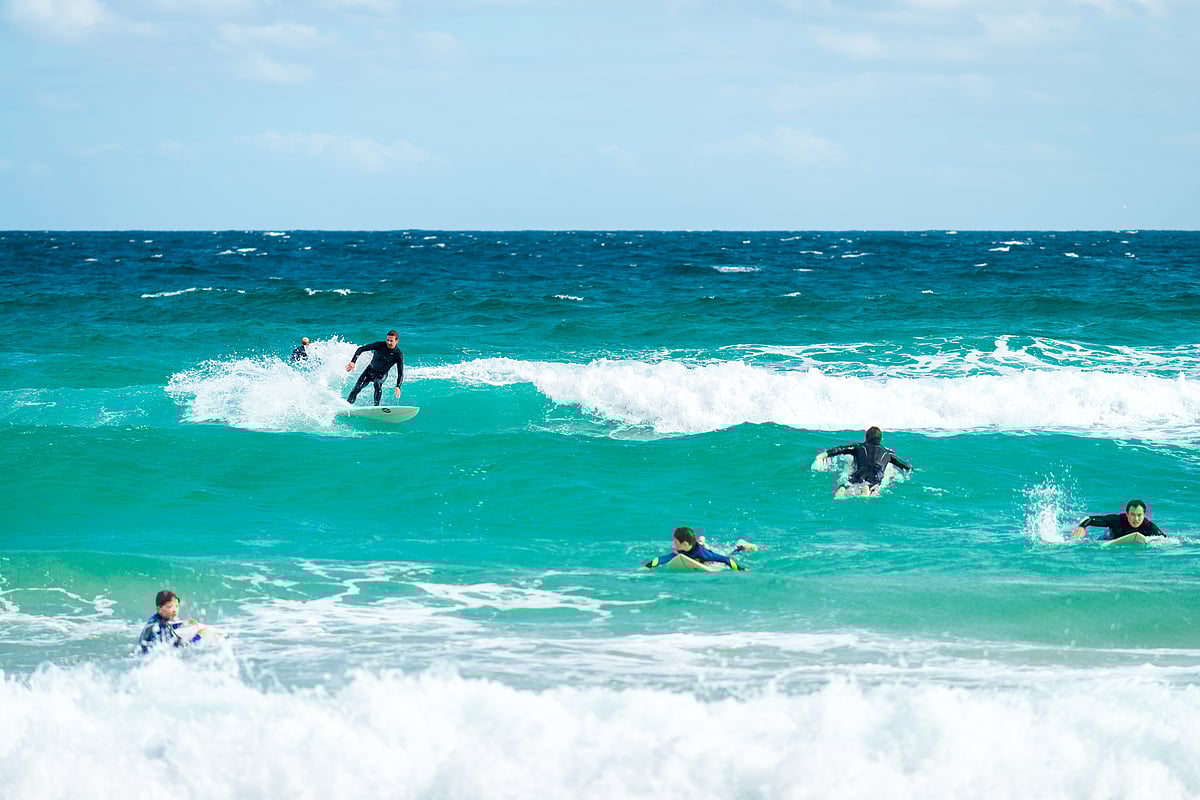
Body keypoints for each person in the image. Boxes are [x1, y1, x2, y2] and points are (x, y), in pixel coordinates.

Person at [819, 426, 912, 497]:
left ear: (866, 438)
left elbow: (841, 449)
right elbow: (903, 465)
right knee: (872, 484)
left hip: (861, 471)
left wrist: (824, 455)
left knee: (849, 482)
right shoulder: (887, 453)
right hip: (876, 473)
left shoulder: (859, 447)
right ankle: (867, 489)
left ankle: (842, 490)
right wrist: (910, 468)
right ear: (880, 439)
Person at [643, 526, 749, 570]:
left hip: (704, 554)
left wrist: (741, 569)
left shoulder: (704, 554)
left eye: (675, 542)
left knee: (729, 555)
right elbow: (663, 558)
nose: (674, 544)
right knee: (700, 544)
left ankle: (740, 546)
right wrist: (648, 566)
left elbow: (726, 560)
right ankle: (701, 541)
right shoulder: (681, 551)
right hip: (694, 546)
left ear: (684, 544)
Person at [345, 330, 404, 405]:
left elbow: (400, 373)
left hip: (382, 374)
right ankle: (348, 405)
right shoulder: (379, 345)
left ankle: (376, 407)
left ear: (397, 341)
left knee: (377, 383)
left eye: (391, 341)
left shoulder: (398, 355)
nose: (388, 342)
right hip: (369, 371)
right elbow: (361, 349)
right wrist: (353, 361)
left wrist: (398, 386)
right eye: (387, 340)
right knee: (356, 388)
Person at [137, 590, 200, 654]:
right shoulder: (162, 627)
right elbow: (183, 646)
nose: (174, 610)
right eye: (169, 606)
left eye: (176, 606)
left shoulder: (154, 620)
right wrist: (198, 636)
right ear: (159, 609)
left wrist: (182, 623)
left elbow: (168, 626)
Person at [1072, 499, 1165, 540]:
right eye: (1132, 514)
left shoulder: (1148, 526)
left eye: (1139, 515)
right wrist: (1082, 527)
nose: (1136, 519)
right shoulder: (1117, 520)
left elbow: (1165, 539)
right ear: (1127, 514)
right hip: (1108, 538)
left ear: (1144, 515)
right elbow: (1090, 519)